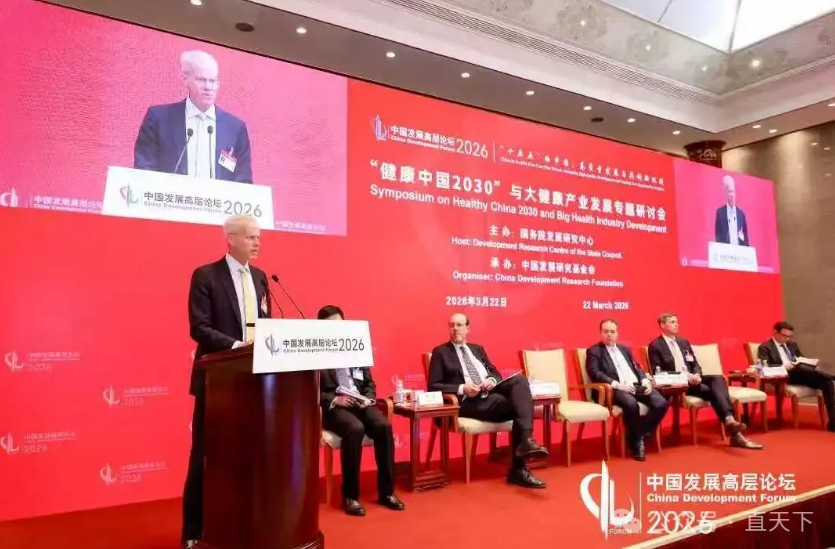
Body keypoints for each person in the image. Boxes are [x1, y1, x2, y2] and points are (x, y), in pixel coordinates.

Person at [182, 214, 270, 549]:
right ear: (230, 239)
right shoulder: (206, 275)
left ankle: (244, 524)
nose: (257, 242)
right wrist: (237, 348)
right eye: (250, 237)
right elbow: (199, 327)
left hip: (255, 382)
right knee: (205, 454)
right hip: (217, 380)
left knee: (250, 455)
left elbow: (265, 324)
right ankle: (193, 531)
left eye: (258, 237)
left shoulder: (260, 278)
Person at [427, 313, 549, 488]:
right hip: (467, 402)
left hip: (489, 393)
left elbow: (494, 372)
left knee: (520, 381)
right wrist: (463, 388)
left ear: (468, 328)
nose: (455, 329)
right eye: (452, 325)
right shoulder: (440, 352)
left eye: (459, 325)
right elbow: (434, 386)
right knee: (521, 408)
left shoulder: (477, 349)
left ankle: (525, 444)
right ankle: (520, 463)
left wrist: (491, 380)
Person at [318, 305, 405, 516]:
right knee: (355, 428)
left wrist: (369, 398)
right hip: (335, 408)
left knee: (384, 427)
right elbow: (312, 390)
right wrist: (335, 399)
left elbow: (369, 383)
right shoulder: (315, 353)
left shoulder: (355, 347)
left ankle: (387, 492)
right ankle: (350, 496)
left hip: (359, 402)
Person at [134, 50, 253, 183]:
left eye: (213, 81)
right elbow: (144, 170)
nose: (208, 87)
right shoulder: (159, 119)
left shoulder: (235, 128)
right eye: (201, 80)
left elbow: (243, 181)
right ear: (185, 79)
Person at [648, 313, 762, 449]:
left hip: (693, 379)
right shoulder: (656, 345)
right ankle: (731, 424)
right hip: (678, 384)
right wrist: (685, 376)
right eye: (672, 322)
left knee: (718, 378)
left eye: (676, 321)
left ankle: (730, 423)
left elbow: (695, 363)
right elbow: (658, 372)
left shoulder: (683, 342)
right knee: (715, 392)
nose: (676, 324)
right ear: (662, 325)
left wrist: (696, 374)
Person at [585, 319, 669, 461]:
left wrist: (644, 380)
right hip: (614, 389)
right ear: (600, 333)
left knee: (661, 403)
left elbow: (636, 367)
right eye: (606, 331)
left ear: (617, 333)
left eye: (612, 331)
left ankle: (636, 434)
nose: (609, 334)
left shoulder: (624, 349)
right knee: (631, 404)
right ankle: (636, 443)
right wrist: (617, 385)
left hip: (635, 385)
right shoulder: (594, 351)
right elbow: (595, 373)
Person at [758, 321, 835, 432]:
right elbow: (764, 365)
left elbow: (801, 359)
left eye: (789, 336)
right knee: (802, 368)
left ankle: (832, 421)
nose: (786, 339)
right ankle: (831, 376)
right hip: (784, 377)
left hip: (801, 374)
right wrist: (783, 366)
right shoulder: (765, 347)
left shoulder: (792, 345)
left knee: (826, 382)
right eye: (784, 335)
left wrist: (811, 364)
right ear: (775, 332)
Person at [714, 174, 749, 246]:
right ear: (725, 193)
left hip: (739, 251)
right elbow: (718, 237)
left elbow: (746, 240)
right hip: (725, 251)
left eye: (733, 191)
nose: (732, 195)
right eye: (730, 191)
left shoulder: (741, 214)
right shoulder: (720, 213)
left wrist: (742, 239)